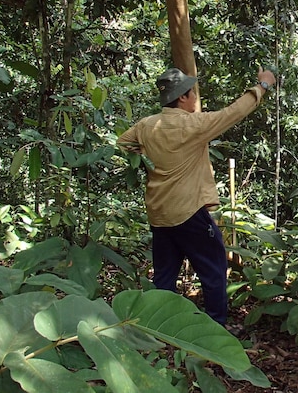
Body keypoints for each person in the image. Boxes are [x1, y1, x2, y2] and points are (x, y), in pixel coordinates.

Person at [117, 66, 276, 325]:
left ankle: (159, 329)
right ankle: (215, 328)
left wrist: (151, 159)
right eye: (193, 94)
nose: (195, 99)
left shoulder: (147, 125)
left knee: (164, 276)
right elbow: (233, 113)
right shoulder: (193, 125)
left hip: (159, 212)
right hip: (188, 211)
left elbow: (123, 143)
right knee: (213, 270)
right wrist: (263, 86)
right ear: (182, 97)